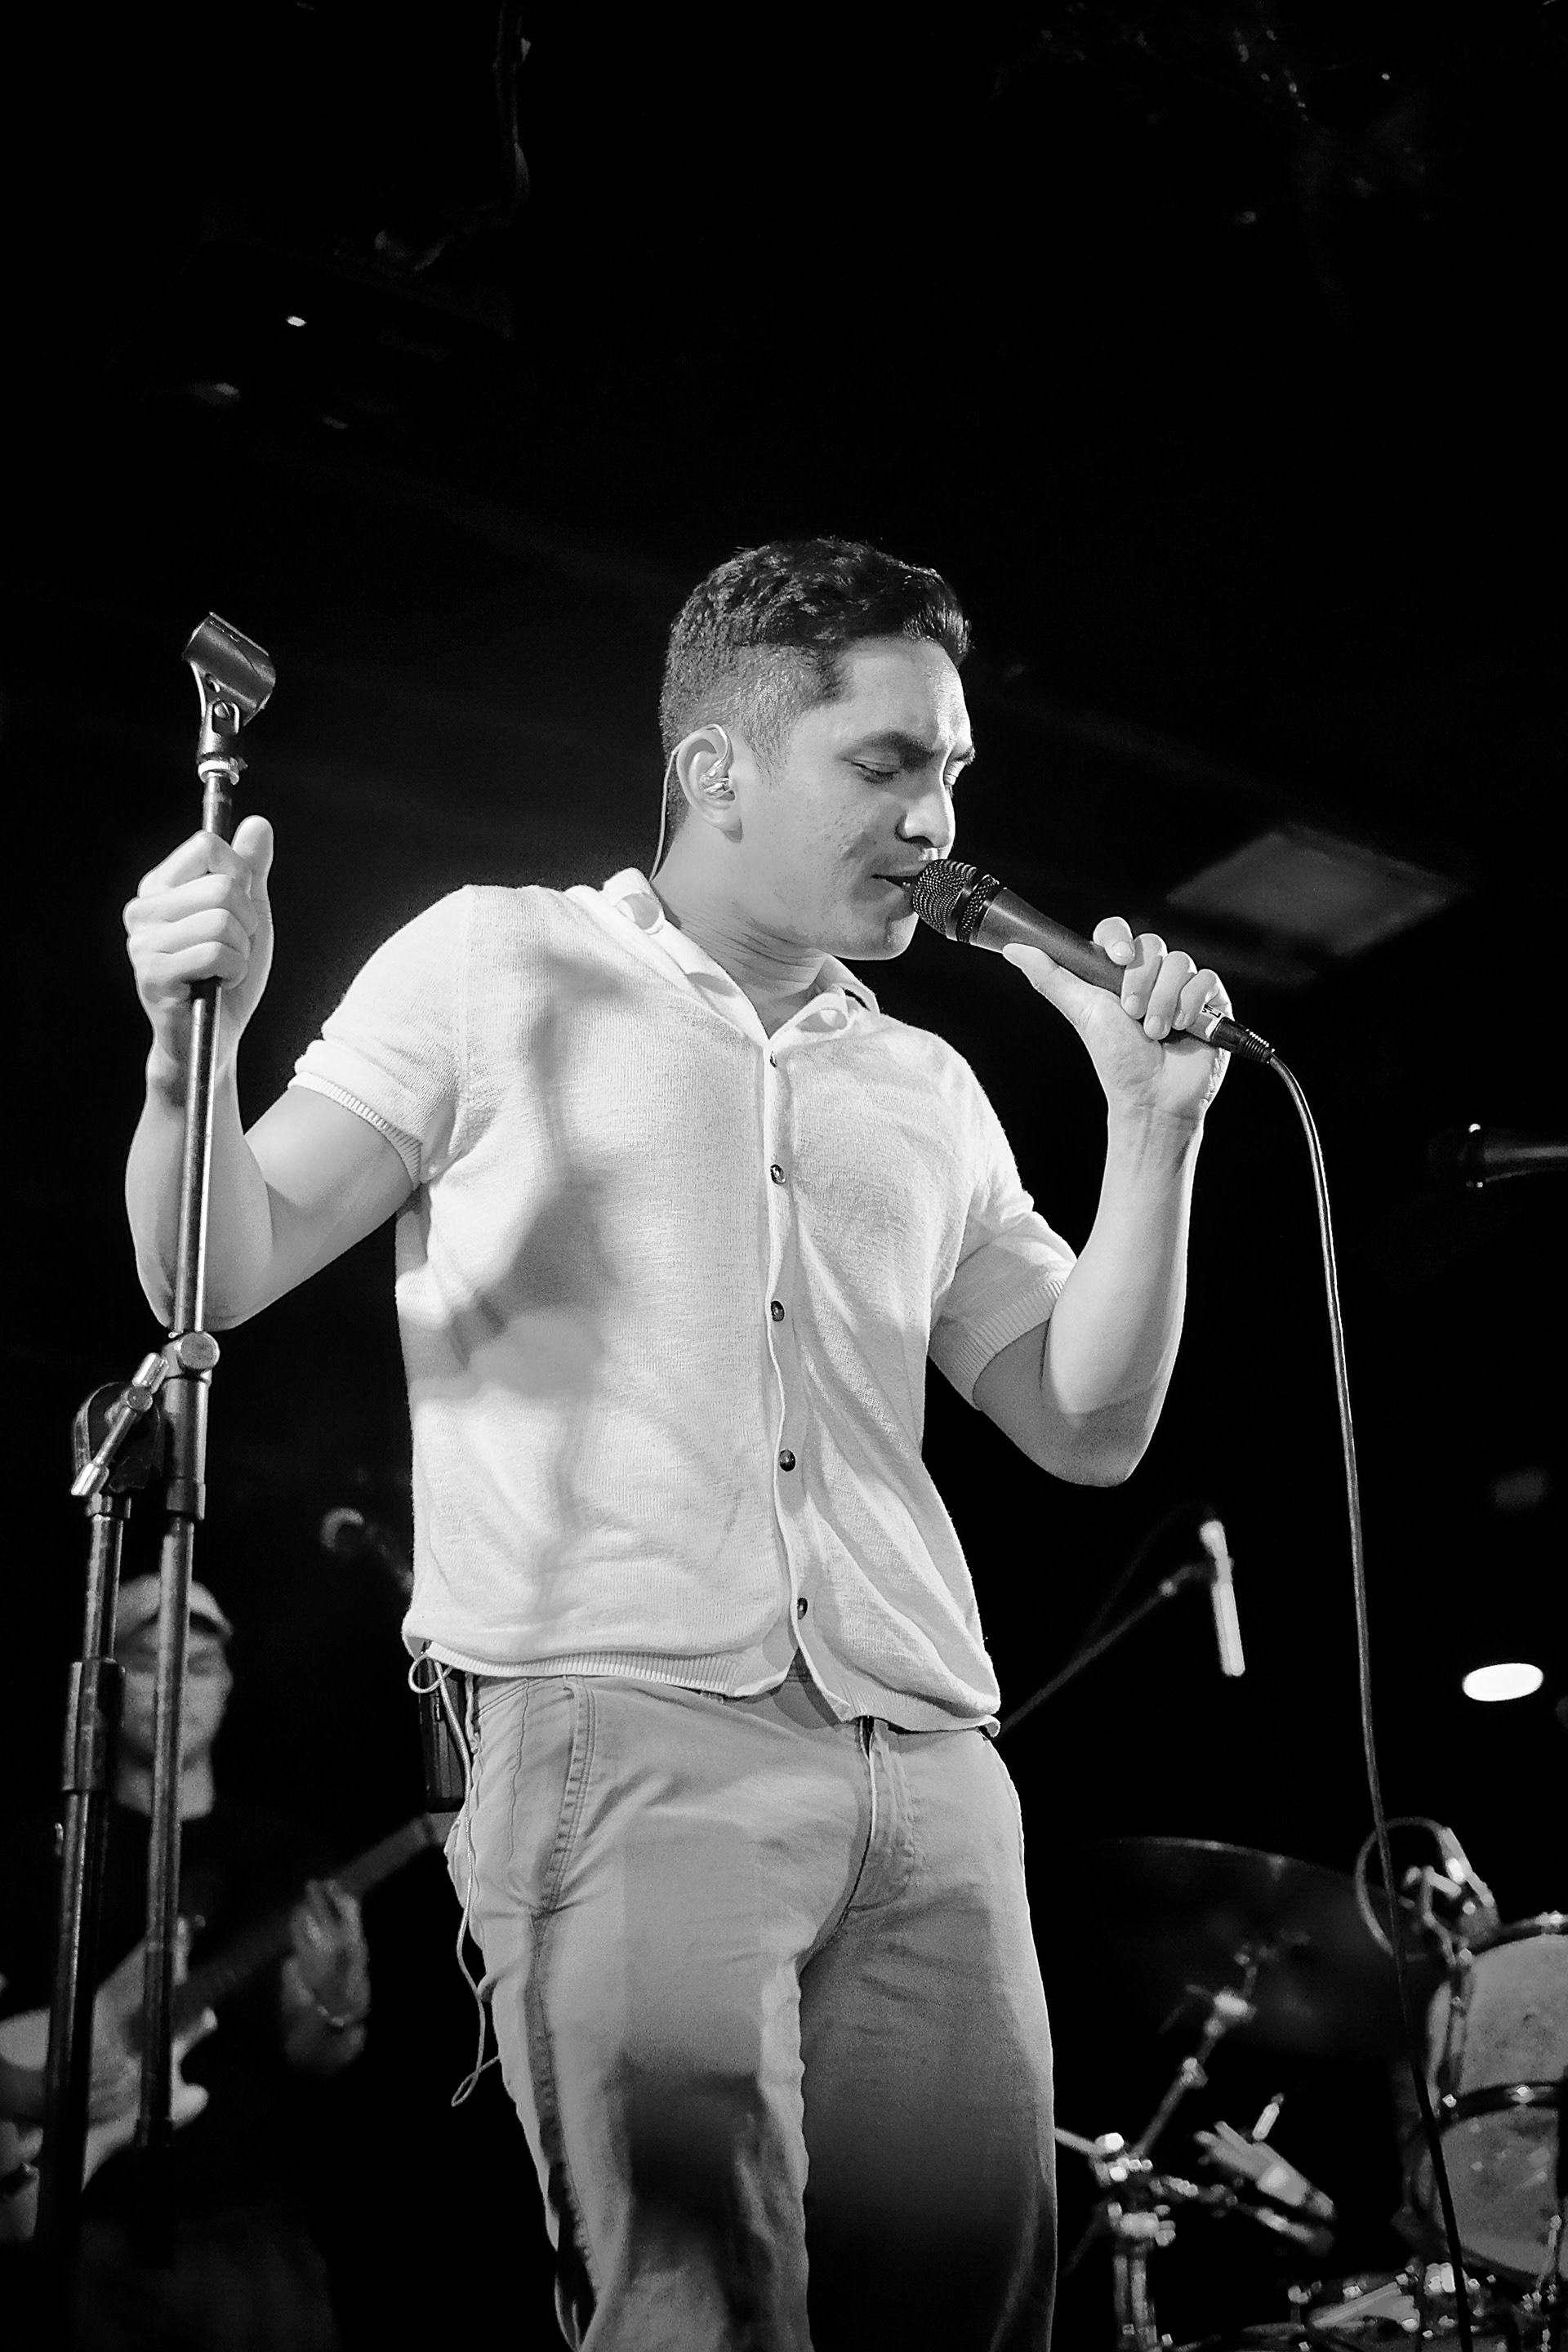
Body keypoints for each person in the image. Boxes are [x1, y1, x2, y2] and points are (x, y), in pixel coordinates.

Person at [119, 537, 1232, 2351]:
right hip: (623, 1728)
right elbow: (215, 1267)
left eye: (953, 771)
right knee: (696, 2313)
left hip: (929, 1761)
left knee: (970, 2315)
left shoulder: (926, 1085)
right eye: (886, 763)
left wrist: (1153, 1129)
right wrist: (193, 1060)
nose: (939, 821)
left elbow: (1086, 1423)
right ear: (716, 766)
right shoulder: (497, 961)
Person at [0, 1577, 372, 2346]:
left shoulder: (286, 1857)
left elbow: (315, 2053)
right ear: (103, 1686)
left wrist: (340, 2001)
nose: (177, 1685)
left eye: (199, 1665)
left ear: (228, 1686)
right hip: (78, 2233)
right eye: (149, 1663)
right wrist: (40, 2092)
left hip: (249, 2235)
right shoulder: (36, 1851)